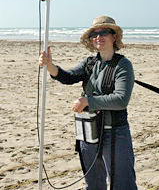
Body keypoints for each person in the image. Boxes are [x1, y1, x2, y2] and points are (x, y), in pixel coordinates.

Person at [39, 16, 138, 190]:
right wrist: (50, 66)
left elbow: (121, 100)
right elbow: (68, 77)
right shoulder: (89, 63)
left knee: (123, 184)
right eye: (94, 33)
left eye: (104, 32)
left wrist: (87, 101)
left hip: (114, 133)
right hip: (88, 132)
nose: (98, 36)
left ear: (114, 37)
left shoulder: (123, 65)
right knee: (93, 183)